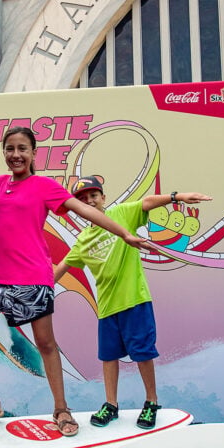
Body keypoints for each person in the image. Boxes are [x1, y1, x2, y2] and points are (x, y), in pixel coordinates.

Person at [0, 127, 148, 437]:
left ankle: (61, 408)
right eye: (10, 149)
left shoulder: (43, 186)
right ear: (4, 153)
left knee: (45, 344)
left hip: (32, 277)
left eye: (22, 148)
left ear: (33, 153)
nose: (16, 154)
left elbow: (84, 209)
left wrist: (123, 233)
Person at [53, 176, 212, 429]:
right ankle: (111, 405)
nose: (89, 202)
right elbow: (63, 266)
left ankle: (151, 402)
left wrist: (177, 197)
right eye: (82, 200)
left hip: (134, 300)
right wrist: (39, 287)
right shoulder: (83, 240)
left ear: (103, 198)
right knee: (108, 357)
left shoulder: (121, 213)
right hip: (106, 307)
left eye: (93, 196)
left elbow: (146, 203)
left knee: (143, 353)